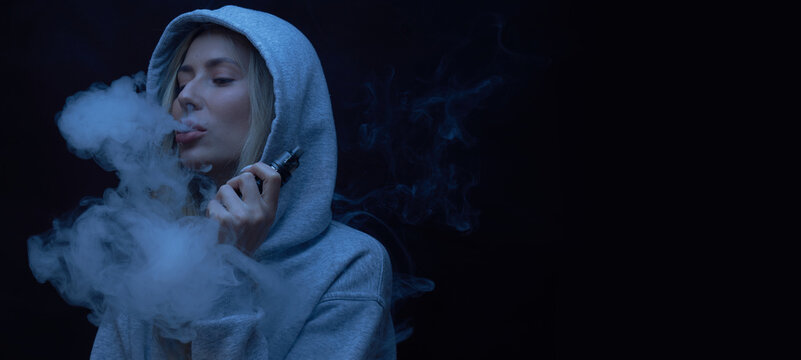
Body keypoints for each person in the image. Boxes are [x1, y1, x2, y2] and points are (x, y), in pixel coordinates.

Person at [89, 5, 396, 359]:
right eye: (182, 81)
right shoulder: (149, 253)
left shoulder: (350, 265)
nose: (185, 97)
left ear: (283, 105)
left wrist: (226, 266)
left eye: (220, 79)